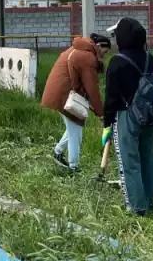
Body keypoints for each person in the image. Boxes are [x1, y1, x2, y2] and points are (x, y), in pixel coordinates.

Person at [104, 17, 153, 215]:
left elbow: (111, 96)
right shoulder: (150, 59)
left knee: (129, 162)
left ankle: (136, 208)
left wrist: (107, 123)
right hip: (149, 115)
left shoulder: (117, 62)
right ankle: (149, 201)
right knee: (148, 158)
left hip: (126, 116)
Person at [40, 33, 109, 173]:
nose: (105, 56)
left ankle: (58, 152)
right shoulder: (87, 56)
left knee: (73, 128)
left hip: (60, 92)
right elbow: (92, 88)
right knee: (76, 129)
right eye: (105, 51)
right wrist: (101, 113)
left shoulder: (78, 49)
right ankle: (74, 167)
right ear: (99, 46)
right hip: (64, 94)